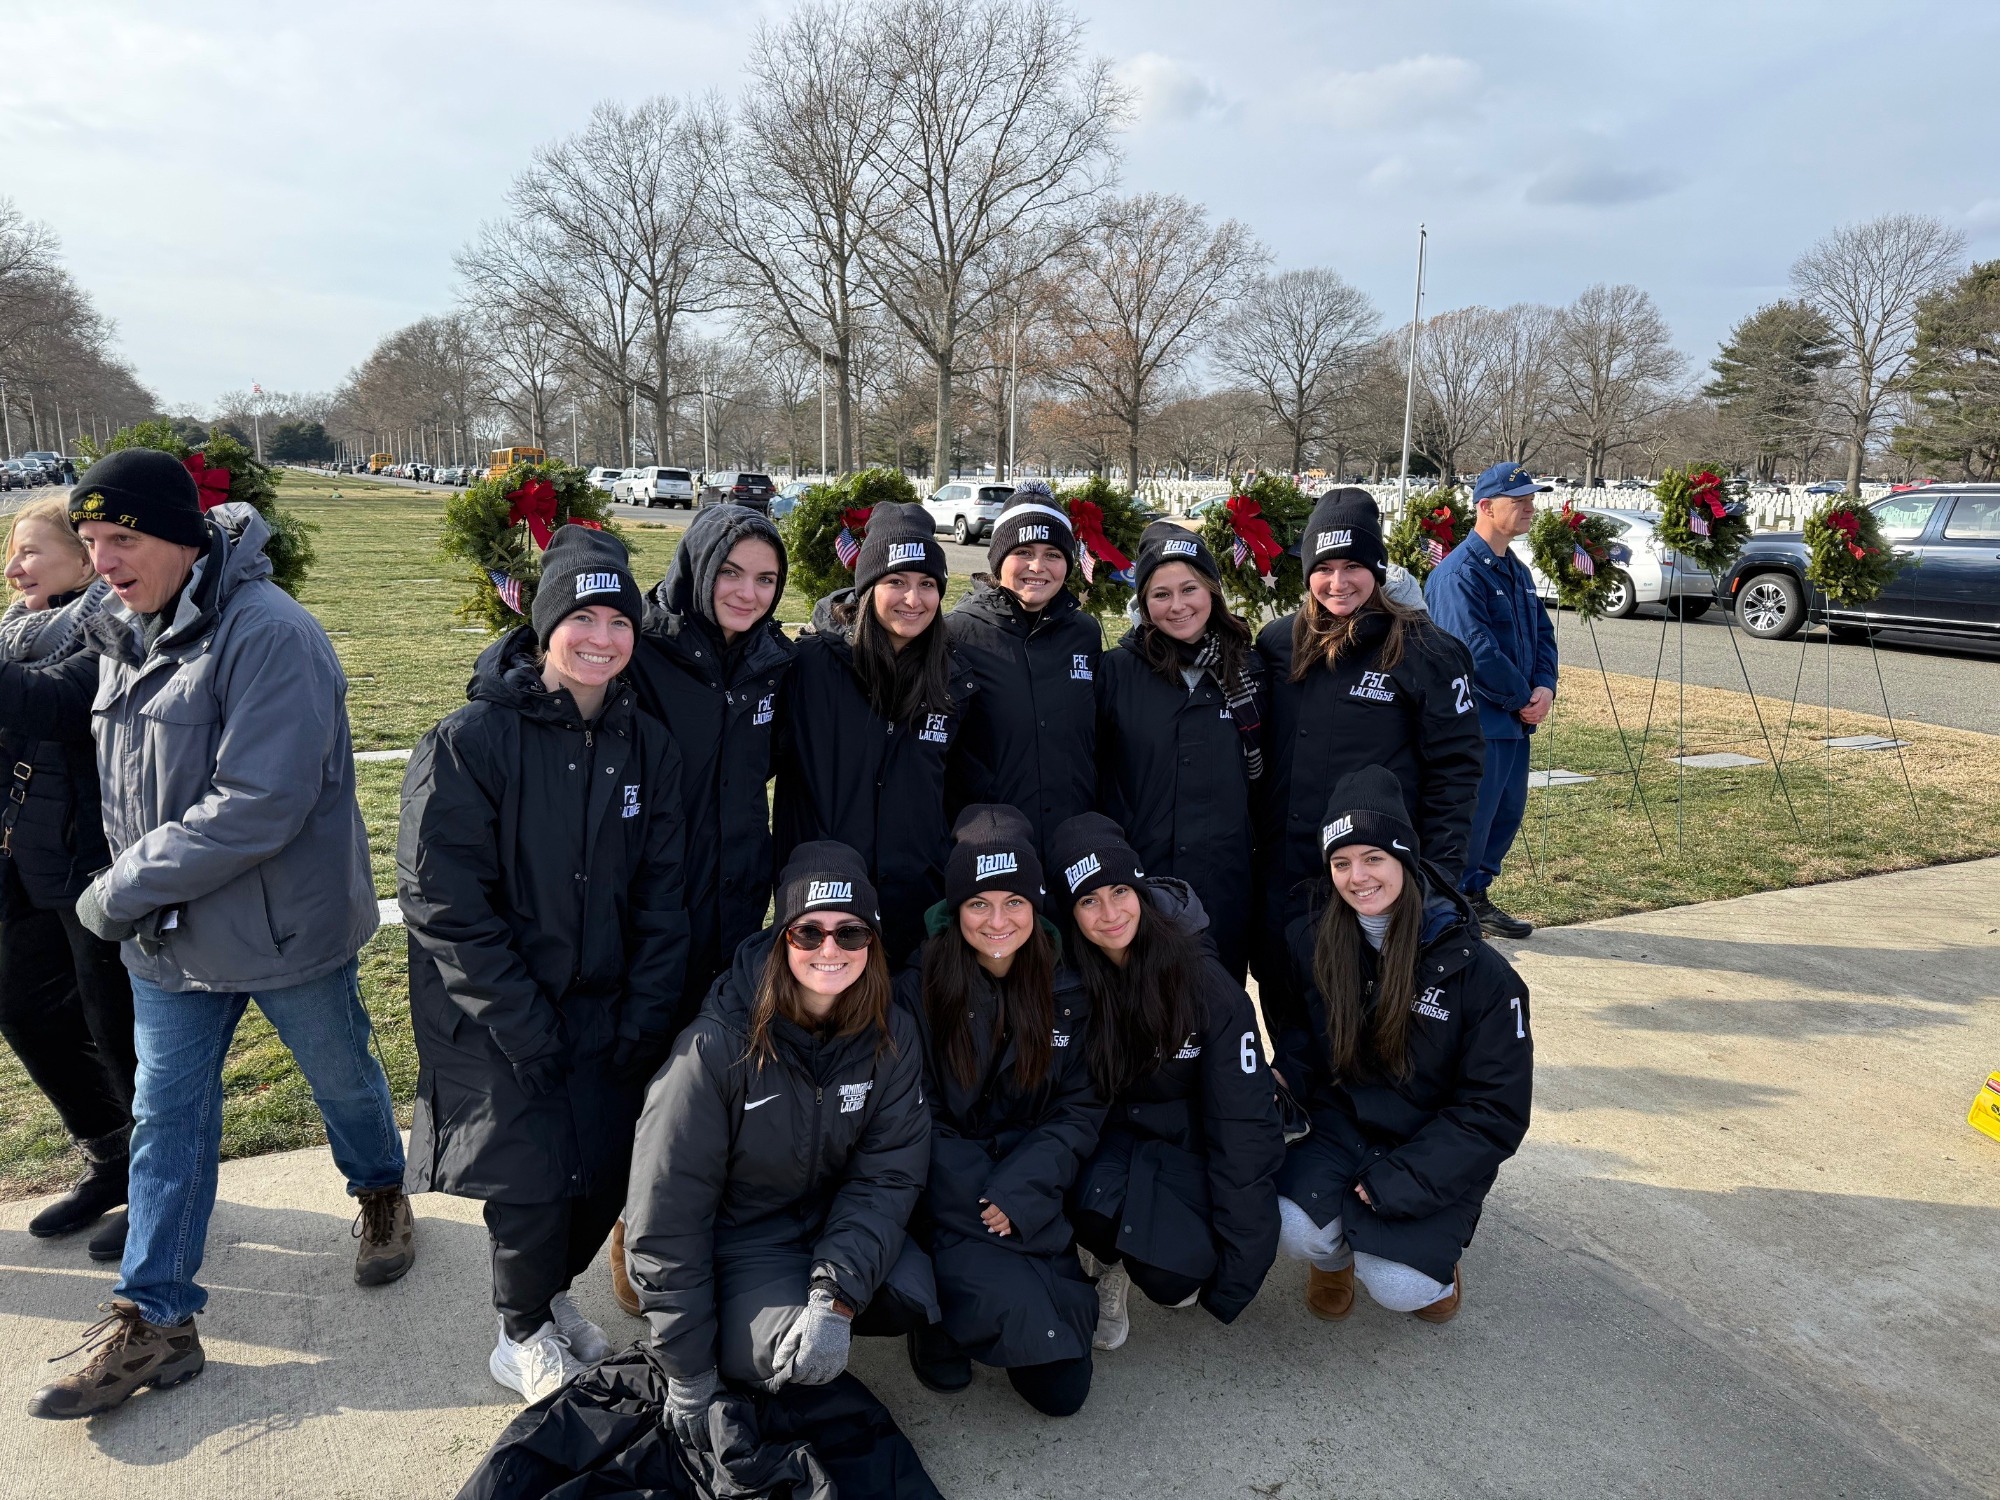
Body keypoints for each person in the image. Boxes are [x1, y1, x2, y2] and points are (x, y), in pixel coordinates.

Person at [27, 448, 409, 1421]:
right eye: (95, 541)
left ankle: (378, 1191)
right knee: (169, 1124)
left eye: (125, 539)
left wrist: (118, 890)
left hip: (282, 932)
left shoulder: (271, 634)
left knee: (339, 1076)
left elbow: (260, 801)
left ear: (183, 537)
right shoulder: (120, 628)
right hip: (170, 936)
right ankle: (157, 1319)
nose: (105, 559)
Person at [398, 525, 689, 1402]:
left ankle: (552, 1301)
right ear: (544, 625)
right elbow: (442, 897)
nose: (602, 637)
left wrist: (645, 1008)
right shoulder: (471, 741)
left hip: (605, 1002)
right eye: (583, 616)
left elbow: (663, 894)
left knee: (598, 1170)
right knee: (528, 1181)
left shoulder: (649, 747)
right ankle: (517, 1330)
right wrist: (518, 1017)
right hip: (503, 1011)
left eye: (620, 620)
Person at [624, 841, 931, 1455]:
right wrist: (688, 1371)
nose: (829, 950)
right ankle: (669, 1303)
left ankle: (805, 1301)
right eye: (808, 932)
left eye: (850, 933)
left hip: (820, 1219)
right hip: (736, 1238)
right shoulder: (714, 1049)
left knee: (914, 1294)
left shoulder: (891, 1031)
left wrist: (836, 1293)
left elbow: (887, 1176)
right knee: (791, 1358)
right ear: (780, 937)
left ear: (871, 942)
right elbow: (668, 1219)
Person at [1272, 766, 1533, 1324]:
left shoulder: (1484, 976)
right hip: (1346, 1126)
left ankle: (1431, 1269)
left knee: (1398, 1285)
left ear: (1405, 861)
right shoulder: (1314, 941)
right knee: (1287, 1224)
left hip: (1431, 1143)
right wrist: (1282, 1079)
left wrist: (1403, 1180)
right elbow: (1302, 1037)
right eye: (1341, 863)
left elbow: (1495, 1110)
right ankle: (1333, 1257)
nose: (1356, 876)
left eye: (1373, 859)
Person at [620, 503, 792, 1315]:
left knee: (713, 1063)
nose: (746, 592)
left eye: (764, 578)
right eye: (730, 572)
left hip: (733, 901)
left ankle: (699, 1219)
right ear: (697, 565)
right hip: (648, 902)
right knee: (644, 1063)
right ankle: (634, 1226)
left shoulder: (770, 663)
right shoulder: (643, 651)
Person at [897, 805, 1106, 1417]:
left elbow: (1079, 1106)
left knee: (1062, 1389)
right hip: (945, 1193)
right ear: (954, 909)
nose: (997, 920)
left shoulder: (1068, 986)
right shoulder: (916, 989)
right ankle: (929, 1307)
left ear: (1036, 907)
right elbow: (910, 1116)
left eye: (1013, 901)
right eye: (978, 903)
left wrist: (1021, 1189)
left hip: (1027, 1187)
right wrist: (986, 1196)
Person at [1047, 813, 1283, 1352]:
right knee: (1083, 1203)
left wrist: (1238, 1276)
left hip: (1186, 1144)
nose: (1109, 914)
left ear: (1140, 889)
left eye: (1118, 892)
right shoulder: (1065, 979)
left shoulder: (1205, 983)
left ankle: (1140, 1255)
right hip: (1109, 1137)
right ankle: (1104, 1261)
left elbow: (1244, 1127)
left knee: (1177, 1283)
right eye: (1088, 900)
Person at [1253, 487, 1485, 1029]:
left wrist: (1436, 875)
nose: (1338, 582)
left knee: (1363, 1015)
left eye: (1354, 565)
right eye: (1324, 567)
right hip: (1285, 874)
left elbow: (1457, 770)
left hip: (1372, 878)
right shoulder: (1278, 643)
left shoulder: (1425, 650)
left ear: (1378, 569)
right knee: (1287, 1004)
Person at [0, 501, 136, 1262]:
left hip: (92, 862)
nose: (15, 569)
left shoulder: (114, 630)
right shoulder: (15, 633)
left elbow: (53, 702)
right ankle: (108, 1154)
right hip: (26, 859)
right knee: (22, 1009)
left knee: (118, 1032)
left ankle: (158, 1182)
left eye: (30, 553)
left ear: (85, 563)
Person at [776, 503, 976, 966]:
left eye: (928, 584)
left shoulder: (955, 682)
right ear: (868, 589)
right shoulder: (811, 668)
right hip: (823, 908)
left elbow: (952, 790)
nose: (914, 598)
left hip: (914, 905)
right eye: (897, 582)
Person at [1095, 523, 1267, 981]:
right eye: (1160, 594)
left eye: (1189, 589)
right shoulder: (1116, 672)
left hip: (1223, 880)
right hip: (1139, 880)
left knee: (1216, 1008)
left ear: (1211, 590)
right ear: (1144, 604)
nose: (1178, 606)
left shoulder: (1250, 669)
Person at [1424, 462, 1559, 940]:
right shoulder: (1459, 574)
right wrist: (1523, 696)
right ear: (1485, 507)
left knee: (1505, 813)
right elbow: (1472, 648)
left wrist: (1545, 687)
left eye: (1530, 498)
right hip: (1480, 720)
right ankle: (1450, 905)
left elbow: (1542, 634)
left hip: (1515, 719)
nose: (1529, 507)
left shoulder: (1515, 569)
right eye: (1518, 500)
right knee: (1472, 817)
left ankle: (1476, 896)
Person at [944, 481, 1102, 862]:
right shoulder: (957, 633)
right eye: (1023, 552)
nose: (1038, 566)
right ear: (998, 560)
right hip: (992, 846)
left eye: (1052, 554)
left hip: (1071, 839)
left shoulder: (1083, 634)